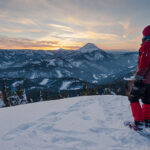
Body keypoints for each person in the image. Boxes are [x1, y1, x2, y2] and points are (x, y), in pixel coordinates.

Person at [129, 25, 150, 130]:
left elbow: (144, 62)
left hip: (144, 78)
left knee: (133, 97)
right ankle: (147, 120)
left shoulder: (147, 44)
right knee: (147, 99)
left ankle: (139, 122)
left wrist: (139, 75)